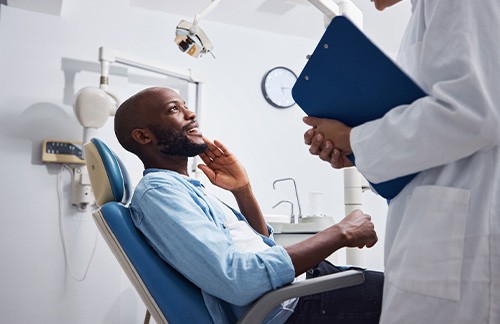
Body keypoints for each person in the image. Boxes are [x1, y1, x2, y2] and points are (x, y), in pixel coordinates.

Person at [114, 86, 383, 324]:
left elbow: (262, 247)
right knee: (417, 301)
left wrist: (243, 191)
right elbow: (239, 280)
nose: (191, 113)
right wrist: (340, 233)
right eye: (174, 109)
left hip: (300, 291)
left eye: (186, 105)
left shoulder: (182, 188)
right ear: (143, 136)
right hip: (295, 307)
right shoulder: (160, 193)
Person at [303, 0, 500, 323]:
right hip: (435, 233)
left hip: (459, 240)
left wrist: (354, 139)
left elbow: (473, 110)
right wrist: (357, 151)